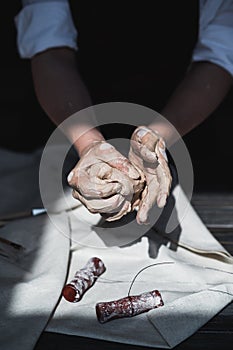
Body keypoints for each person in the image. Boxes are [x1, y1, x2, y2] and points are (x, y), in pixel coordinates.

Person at [15, 0, 233, 224]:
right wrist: (88, 143)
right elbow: (50, 51)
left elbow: (218, 57)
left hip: (183, 114)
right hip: (67, 108)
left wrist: (157, 137)